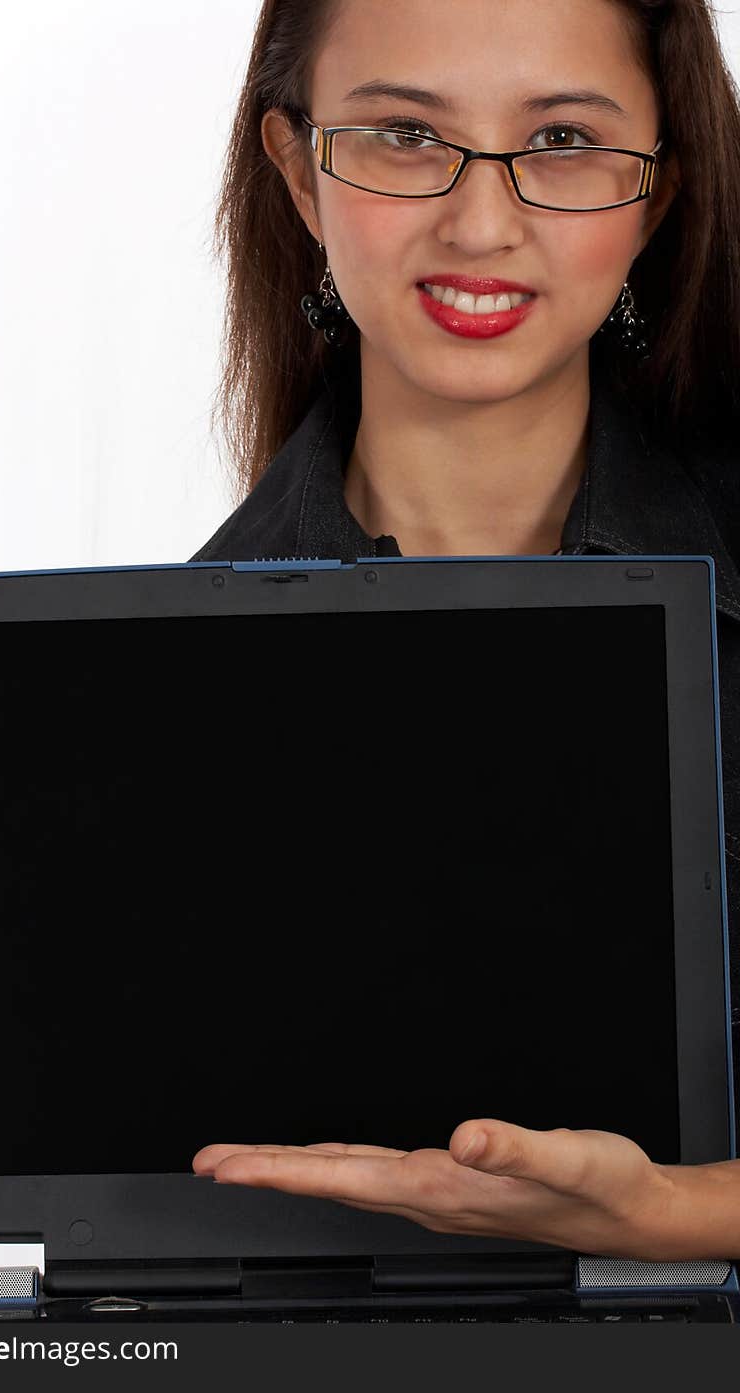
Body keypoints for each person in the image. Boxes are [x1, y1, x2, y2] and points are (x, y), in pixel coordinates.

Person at [189, 0, 740, 1260]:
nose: (482, 222)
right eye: (397, 134)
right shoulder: (169, 669)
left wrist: (675, 1211)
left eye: (560, 137)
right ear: (295, 171)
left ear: (657, 193)